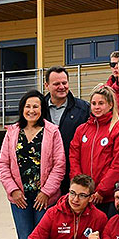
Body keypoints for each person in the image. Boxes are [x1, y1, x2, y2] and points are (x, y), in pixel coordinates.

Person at [0, 90, 67, 239]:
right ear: (22, 109)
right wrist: (13, 191)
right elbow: (3, 164)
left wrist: (46, 192)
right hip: (19, 198)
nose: (31, 110)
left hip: (44, 198)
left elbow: (59, 165)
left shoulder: (52, 132)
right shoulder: (12, 132)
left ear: (42, 109)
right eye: (27, 106)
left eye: (35, 106)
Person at [69, 85, 119, 217]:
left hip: (106, 197)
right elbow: (74, 158)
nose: (97, 107)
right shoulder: (82, 129)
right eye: (94, 103)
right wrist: (81, 187)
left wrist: (101, 191)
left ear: (110, 105)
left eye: (101, 103)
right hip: (84, 196)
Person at [44, 66, 91, 194]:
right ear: (47, 85)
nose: (62, 87)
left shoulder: (84, 109)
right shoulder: (39, 109)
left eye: (64, 83)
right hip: (46, 176)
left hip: (73, 174)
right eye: (56, 84)